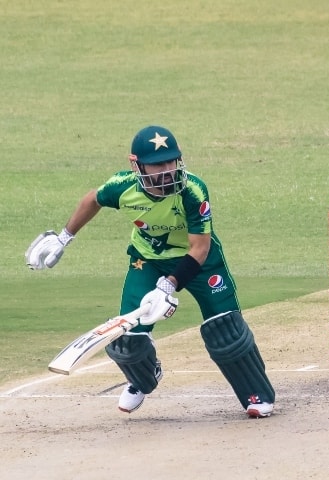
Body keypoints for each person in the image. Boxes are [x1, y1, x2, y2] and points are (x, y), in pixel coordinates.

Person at [25, 125, 276, 418]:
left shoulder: (193, 190)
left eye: (172, 161)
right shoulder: (123, 187)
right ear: (137, 164)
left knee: (225, 330)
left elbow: (199, 248)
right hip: (147, 259)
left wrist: (169, 287)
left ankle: (255, 394)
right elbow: (92, 199)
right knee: (127, 338)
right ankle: (144, 377)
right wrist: (64, 237)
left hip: (199, 261)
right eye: (158, 164)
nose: (168, 170)